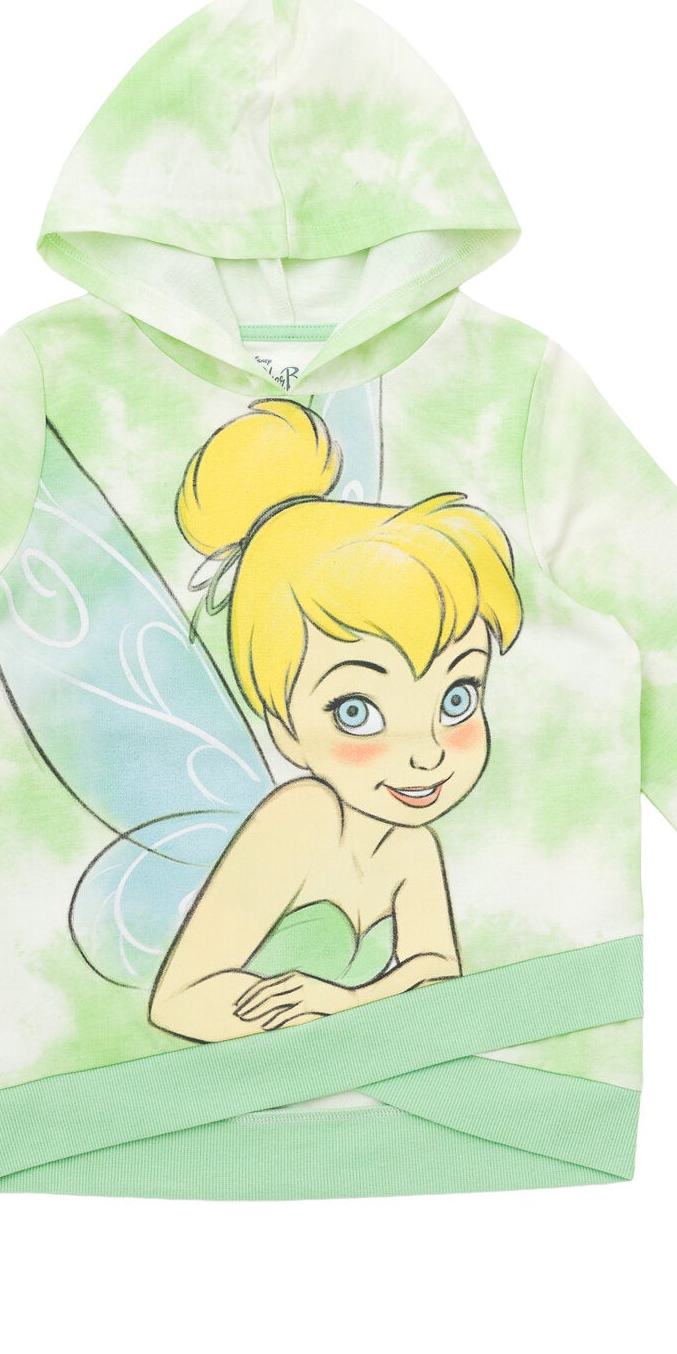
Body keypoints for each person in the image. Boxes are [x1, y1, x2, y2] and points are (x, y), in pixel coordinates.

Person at [145, 396, 524, 1042]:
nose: (427, 753)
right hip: (240, 1094)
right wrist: (363, 1009)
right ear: (285, 729)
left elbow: (437, 974)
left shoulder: (411, 845)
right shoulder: (303, 816)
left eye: (457, 697)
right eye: (357, 712)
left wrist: (345, 1004)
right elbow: (179, 1001)